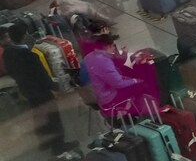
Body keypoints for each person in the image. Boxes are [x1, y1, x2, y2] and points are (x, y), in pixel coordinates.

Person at [2, 23, 76, 154]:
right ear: (25, 36)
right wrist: (58, 88)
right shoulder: (31, 56)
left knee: (38, 115)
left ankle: (44, 141)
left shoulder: (8, 53)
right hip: (41, 92)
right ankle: (58, 146)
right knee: (53, 118)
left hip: (27, 90)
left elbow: (11, 72)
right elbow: (43, 77)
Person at [82, 33, 147, 116]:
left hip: (95, 94)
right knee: (139, 86)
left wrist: (123, 77)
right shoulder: (104, 61)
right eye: (113, 46)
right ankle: (133, 113)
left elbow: (105, 75)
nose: (114, 48)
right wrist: (135, 80)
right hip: (107, 98)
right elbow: (119, 84)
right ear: (107, 46)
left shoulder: (88, 57)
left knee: (130, 81)